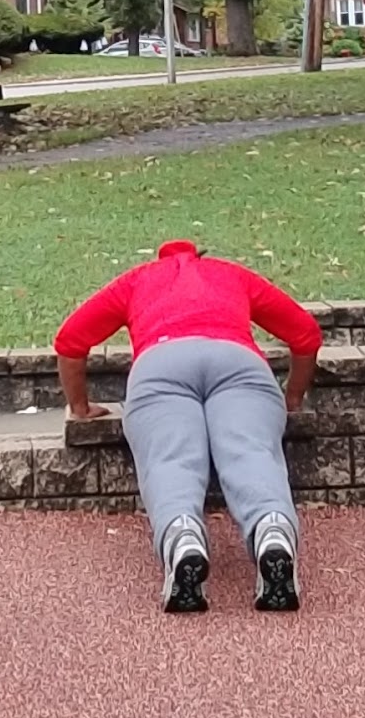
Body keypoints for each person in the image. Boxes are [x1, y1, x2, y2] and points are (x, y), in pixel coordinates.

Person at [54, 239, 322, 613]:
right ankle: (271, 528)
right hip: (238, 362)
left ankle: (183, 536)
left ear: (159, 258)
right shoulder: (230, 274)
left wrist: (80, 407)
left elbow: (70, 340)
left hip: (161, 363)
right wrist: (292, 398)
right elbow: (305, 333)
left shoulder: (138, 280)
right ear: (199, 255)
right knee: (251, 451)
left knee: (170, 459)